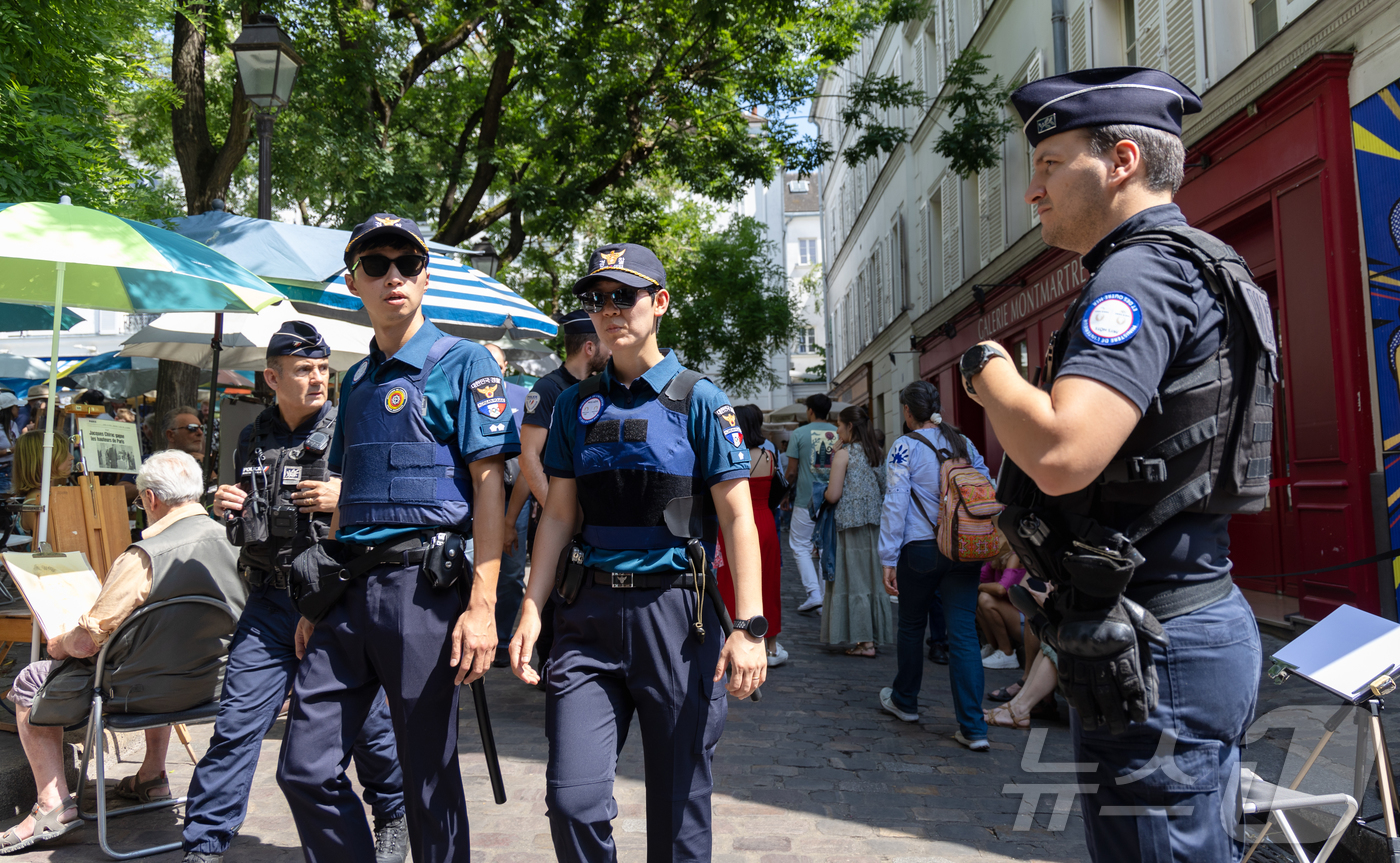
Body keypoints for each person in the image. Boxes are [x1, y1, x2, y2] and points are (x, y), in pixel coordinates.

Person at [961, 67, 1268, 859]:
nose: (1033, 191)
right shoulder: (1202, 263)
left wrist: (987, 371)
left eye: (1049, 164)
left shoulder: (1142, 272)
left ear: (1122, 159)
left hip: (1158, 632)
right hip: (1172, 620)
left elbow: (1064, 453)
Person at [508, 243, 767, 862]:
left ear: (660, 304)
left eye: (624, 295)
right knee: (573, 799)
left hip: (677, 621)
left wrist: (751, 626)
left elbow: (738, 517)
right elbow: (560, 516)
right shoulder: (574, 406)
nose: (609, 309)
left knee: (677, 813)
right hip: (587, 618)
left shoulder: (698, 399)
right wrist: (531, 607)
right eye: (597, 299)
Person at [275, 214, 517, 863]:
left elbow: (491, 490)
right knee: (303, 766)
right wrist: (318, 599)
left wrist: (484, 605)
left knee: (428, 781)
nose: (393, 276)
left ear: (424, 275)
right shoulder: (353, 382)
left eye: (407, 263)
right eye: (376, 265)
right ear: (354, 280)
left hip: (425, 592)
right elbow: (347, 494)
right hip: (349, 593)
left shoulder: (464, 364)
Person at [182, 322, 407, 863]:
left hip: (334, 600)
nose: (316, 380)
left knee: (370, 727)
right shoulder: (252, 435)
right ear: (272, 377)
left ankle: (394, 815)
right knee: (235, 726)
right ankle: (204, 846)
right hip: (266, 602)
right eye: (303, 371)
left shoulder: (352, 426)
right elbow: (245, 515)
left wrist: (344, 496)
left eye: (322, 370)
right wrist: (226, 505)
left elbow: (395, 505)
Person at [0, 450, 247, 854]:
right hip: (211, 687)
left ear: (150, 499)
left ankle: (53, 803)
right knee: (160, 654)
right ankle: (152, 776)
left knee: (30, 678)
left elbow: (84, 642)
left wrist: (58, 643)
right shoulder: (234, 544)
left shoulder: (142, 558)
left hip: (134, 694)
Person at [877, 381, 991, 751]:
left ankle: (905, 701)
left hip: (921, 548)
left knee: (911, 625)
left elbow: (895, 503)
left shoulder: (904, 447)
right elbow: (987, 485)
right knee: (964, 634)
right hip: (963, 547)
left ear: (908, 412)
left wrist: (887, 557)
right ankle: (974, 727)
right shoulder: (963, 443)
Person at [503, 308, 610, 672]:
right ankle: (551, 668)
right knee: (553, 593)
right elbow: (528, 459)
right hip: (558, 517)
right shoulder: (548, 389)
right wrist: (557, 513)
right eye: (606, 341)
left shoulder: (600, 388)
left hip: (591, 517)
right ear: (590, 347)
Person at [715, 404, 786, 667]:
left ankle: (729, 633)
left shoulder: (734, 454)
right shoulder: (768, 456)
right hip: (766, 523)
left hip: (738, 522)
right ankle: (771, 644)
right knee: (768, 582)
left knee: (731, 580)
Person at [821, 404, 891, 657]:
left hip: (848, 526)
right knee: (871, 580)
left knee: (853, 581)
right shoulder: (877, 453)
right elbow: (885, 489)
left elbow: (833, 495)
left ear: (850, 426)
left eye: (839, 425)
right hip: (873, 524)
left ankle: (865, 642)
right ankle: (870, 637)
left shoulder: (843, 455)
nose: (837, 430)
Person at [485, 343, 531, 667]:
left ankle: (500, 640)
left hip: (515, 496)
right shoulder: (465, 395)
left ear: (505, 367)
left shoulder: (523, 396)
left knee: (511, 572)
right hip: (474, 495)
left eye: (494, 362)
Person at [784, 393, 838, 612]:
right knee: (826, 547)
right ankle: (826, 597)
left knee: (800, 545)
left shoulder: (799, 434)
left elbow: (791, 471)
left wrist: (785, 494)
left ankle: (813, 593)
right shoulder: (838, 432)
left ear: (810, 411)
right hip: (832, 498)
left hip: (806, 499)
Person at [12, 431, 72, 539]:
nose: (71, 457)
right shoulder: (35, 503)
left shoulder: (44, 497)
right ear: (44, 459)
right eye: (64, 453)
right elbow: (57, 545)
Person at [976, 545, 1026, 670]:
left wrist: (979, 587)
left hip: (1025, 623)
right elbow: (980, 578)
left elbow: (1001, 589)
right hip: (1012, 616)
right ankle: (993, 648)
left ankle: (1007, 653)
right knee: (977, 602)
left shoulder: (1015, 556)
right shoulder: (999, 557)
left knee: (985, 599)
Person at [0, 393, 20, 492]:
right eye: (16, 406)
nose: (19, 408)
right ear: (9, 409)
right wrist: (10, 450)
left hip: (13, 468)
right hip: (2, 470)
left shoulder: (13, 424)